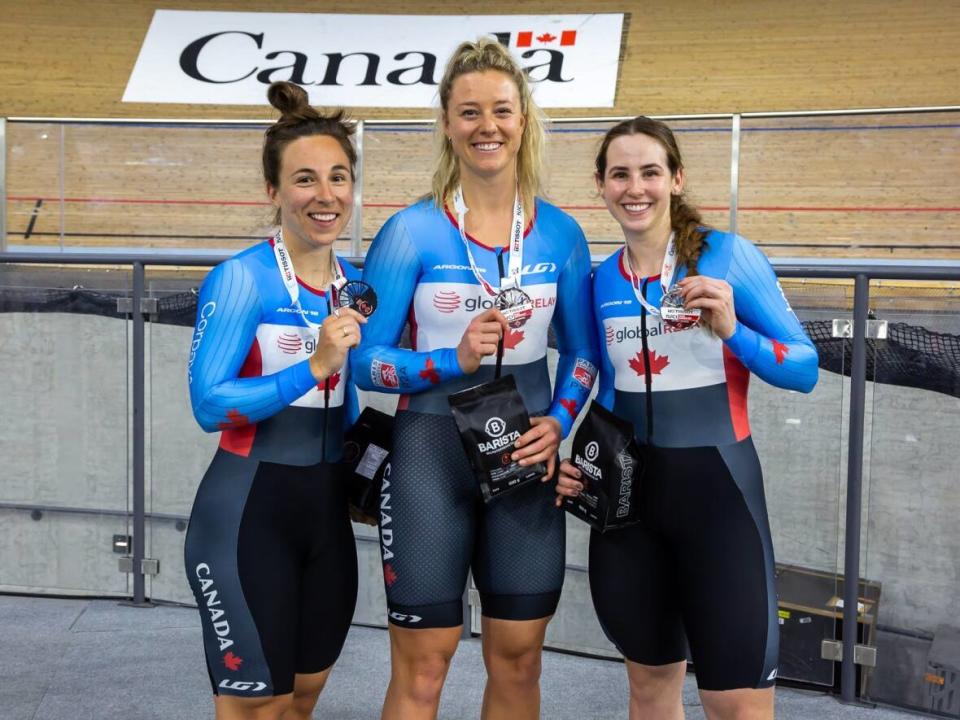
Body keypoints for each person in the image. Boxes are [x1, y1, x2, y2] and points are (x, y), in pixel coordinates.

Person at [351, 38, 598, 720]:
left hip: (526, 455)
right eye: (469, 112)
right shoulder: (411, 233)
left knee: (518, 660)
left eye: (501, 110)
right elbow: (362, 361)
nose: (486, 126)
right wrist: (445, 363)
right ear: (446, 124)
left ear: (525, 120)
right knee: (425, 665)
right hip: (429, 453)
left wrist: (558, 422)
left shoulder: (561, 236)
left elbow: (582, 356)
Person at [556, 117, 819, 720]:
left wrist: (732, 332)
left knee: (736, 704)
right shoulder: (599, 281)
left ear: (676, 179)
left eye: (650, 172)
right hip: (628, 510)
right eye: (619, 174)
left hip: (719, 498)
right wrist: (565, 444)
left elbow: (803, 369)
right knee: (649, 692)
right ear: (600, 185)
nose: (635, 188)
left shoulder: (728, 257)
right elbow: (588, 373)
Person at [184, 81, 366, 720]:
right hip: (245, 515)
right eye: (305, 180)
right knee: (256, 708)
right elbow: (208, 404)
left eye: (338, 178)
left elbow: (350, 399)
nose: (326, 196)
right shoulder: (241, 279)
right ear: (274, 192)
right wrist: (312, 366)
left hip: (324, 517)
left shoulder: (355, 287)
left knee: (302, 699)